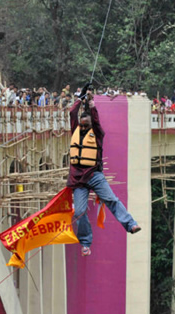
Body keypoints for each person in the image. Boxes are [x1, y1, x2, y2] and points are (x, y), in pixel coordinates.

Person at [67, 83, 141, 257]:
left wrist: (91, 104)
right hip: (78, 179)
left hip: (94, 175)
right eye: (82, 125)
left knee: (111, 200)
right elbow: (72, 113)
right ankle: (85, 243)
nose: (84, 127)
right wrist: (80, 98)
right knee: (79, 211)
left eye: (87, 124)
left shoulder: (97, 133)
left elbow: (96, 118)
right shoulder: (75, 130)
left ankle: (130, 224)